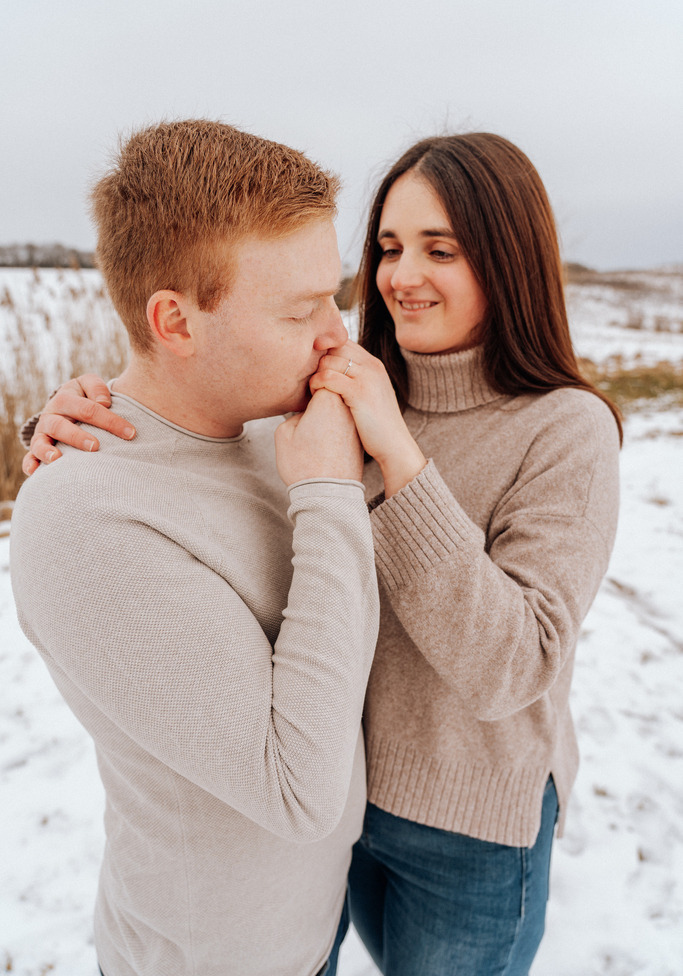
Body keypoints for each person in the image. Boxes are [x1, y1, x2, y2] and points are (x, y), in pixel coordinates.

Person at [24, 132, 621, 976]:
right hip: (338, 815)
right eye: (388, 247)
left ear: (508, 260)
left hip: (467, 826)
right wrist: (79, 423)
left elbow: (510, 668)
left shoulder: (553, 427)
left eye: (440, 249)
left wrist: (393, 463)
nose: (398, 277)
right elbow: (178, 422)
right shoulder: (321, 398)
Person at [11, 119, 380, 976]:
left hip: (309, 926)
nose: (336, 334)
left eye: (333, 297)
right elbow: (297, 792)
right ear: (174, 321)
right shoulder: (84, 520)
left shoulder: (271, 426)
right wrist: (329, 493)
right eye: (300, 310)